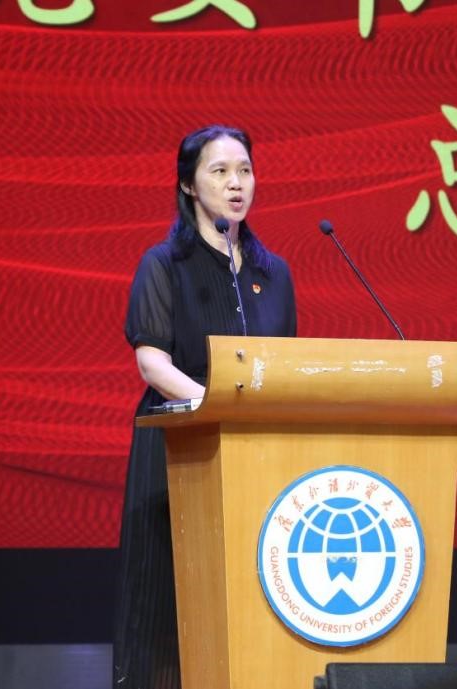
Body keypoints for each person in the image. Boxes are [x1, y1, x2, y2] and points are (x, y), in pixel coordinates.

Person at [114, 125, 297, 689]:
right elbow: (153, 363)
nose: (236, 184)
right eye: (220, 172)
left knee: (252, 587)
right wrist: (213, 404)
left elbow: (284, 364)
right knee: (170, 596)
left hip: (254, 453)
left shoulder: (273, 272)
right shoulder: (164, 264)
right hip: (180, 446)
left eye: (245, 170)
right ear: (189, 186)